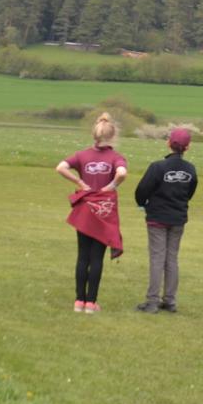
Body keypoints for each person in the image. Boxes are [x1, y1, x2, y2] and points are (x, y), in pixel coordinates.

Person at [56, 112, 127, 313]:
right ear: (112, 136)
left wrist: (79, 182)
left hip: (85, 210)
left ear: (94, 135)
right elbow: (122, 173)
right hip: (103, 212)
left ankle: (79, 301)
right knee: (97, 258)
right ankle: (91, 303)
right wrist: (111, 186)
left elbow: (61, 167)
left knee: (82, 256)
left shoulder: (82, 155)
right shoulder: (116, 157)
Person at [132, 127, 198, 314]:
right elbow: (190, 192)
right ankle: (170, 301)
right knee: (172, 259)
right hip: (178, 219)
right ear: (188, 147)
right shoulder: (190, 169)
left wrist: (142, 204)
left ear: (168, 143)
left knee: (157, 258)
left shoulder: (157, 167)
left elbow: (142, 190)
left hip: (157, 219)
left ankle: (152, 301)